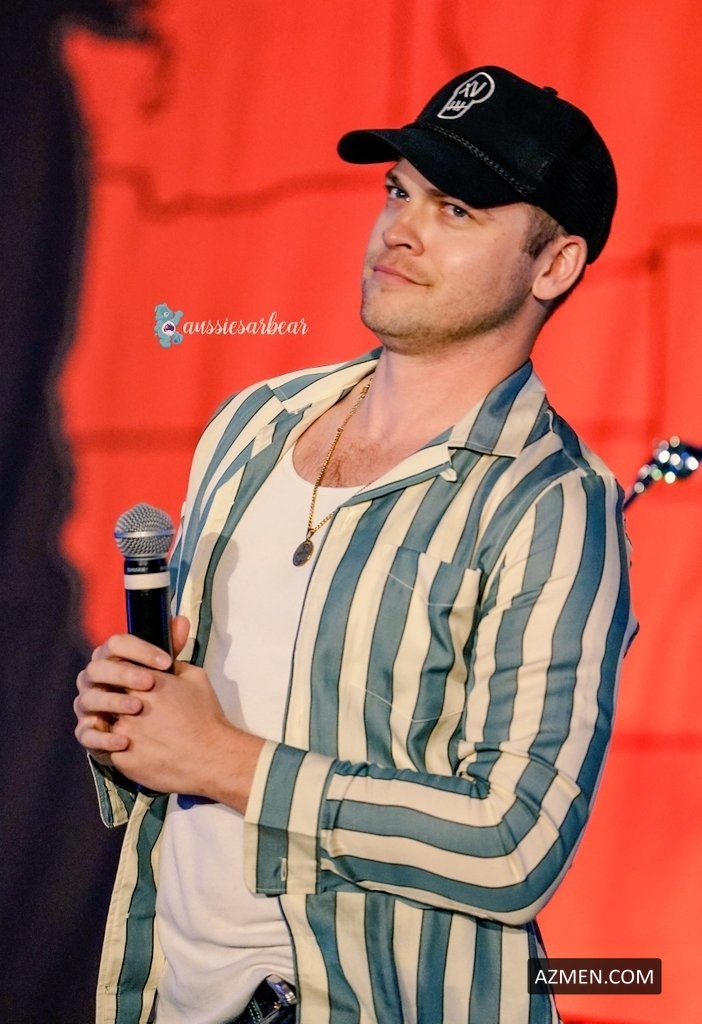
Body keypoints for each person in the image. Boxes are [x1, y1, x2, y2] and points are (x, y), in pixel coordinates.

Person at [74, 65, 637, 1024]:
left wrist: (225, 761)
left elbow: (516, 843)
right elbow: (196, 723)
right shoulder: (252, 424)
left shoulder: (553, 504)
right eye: (398, 191)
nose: (401, 230)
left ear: (555, 266)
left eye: (456, 210)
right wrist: (130, 718)